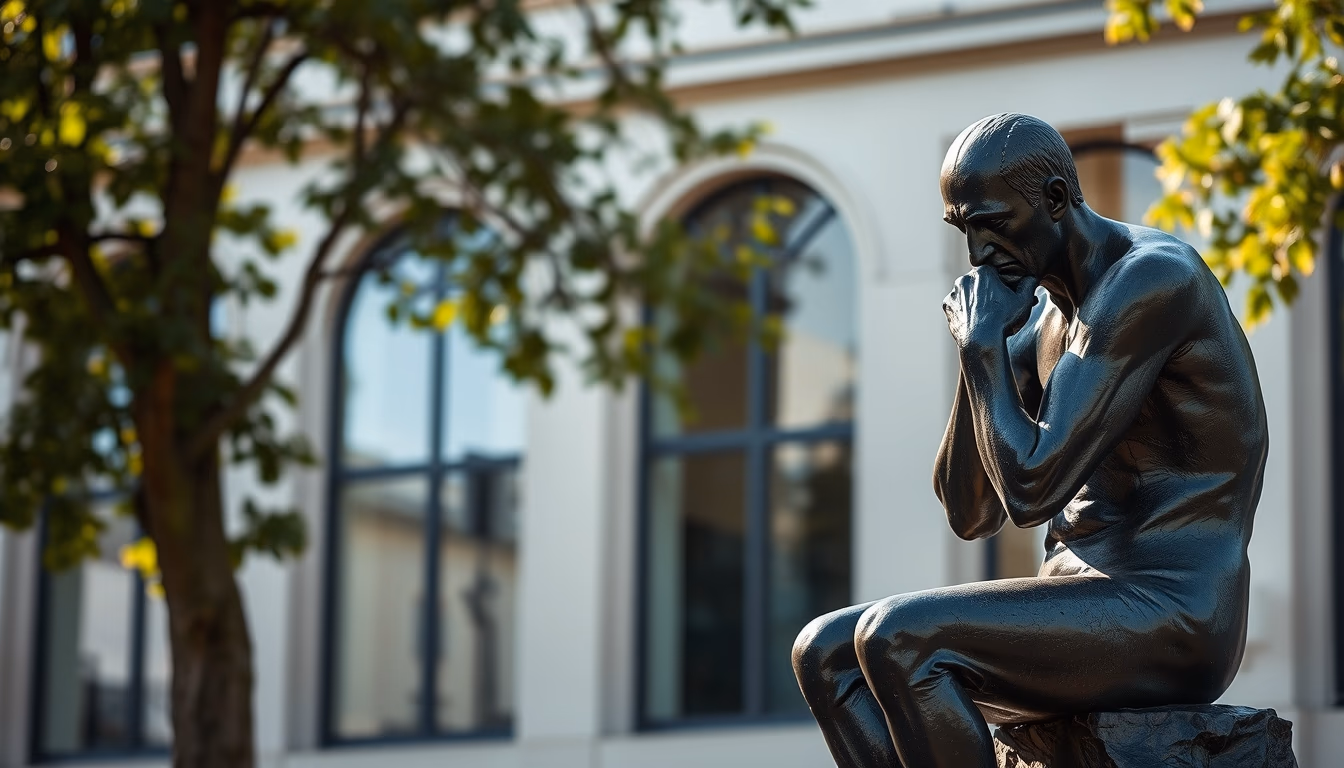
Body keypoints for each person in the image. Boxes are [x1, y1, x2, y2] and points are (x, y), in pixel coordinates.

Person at [790, 113, 1268, 768]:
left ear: (1054, 199)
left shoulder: (1153, 281)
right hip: (1079, 606)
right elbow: (970, 513)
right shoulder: (1043, 317)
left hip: (1174, 607)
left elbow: (1033, 488)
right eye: (965, 230)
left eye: (992, 223)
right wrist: (976, 355)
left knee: (901, 641)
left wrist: (986, 351)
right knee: (824, 652)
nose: (978, 252)